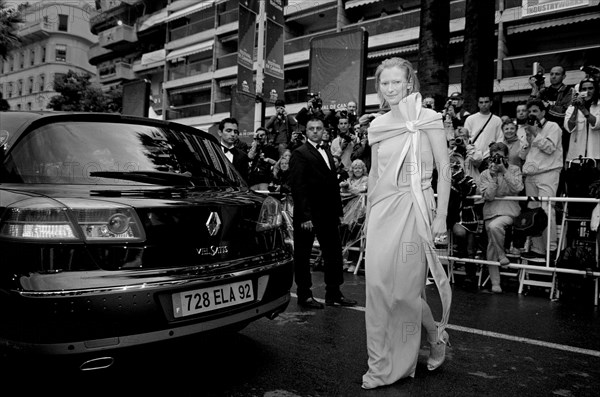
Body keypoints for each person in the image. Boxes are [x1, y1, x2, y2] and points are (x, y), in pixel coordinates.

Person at [362, 57, 451, 389]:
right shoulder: (378, 125)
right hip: (383, 211)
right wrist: (369, 212)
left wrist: (441, 215)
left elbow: (445, 168)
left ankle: (432, 334)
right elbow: (374, 174)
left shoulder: (429, 119)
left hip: (416, 206)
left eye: (396, 82)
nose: (390, 88)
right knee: (378, 289)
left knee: (405, 292)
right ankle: (381, 363)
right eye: (384, 83)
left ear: (409, 83)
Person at [288, 116, 357, 309]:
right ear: (306, 131)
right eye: (312, 128)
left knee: (333, 253)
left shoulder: (327, 150)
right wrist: (304, 216)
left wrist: (338, 211)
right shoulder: (299, 153)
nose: (316, 131)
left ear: (324, 130)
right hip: (308, 215)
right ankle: (304, 295)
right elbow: (298, 187)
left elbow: (331, 184)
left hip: (328, 213)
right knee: (303, 254)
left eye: (319, 128)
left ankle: (334, 293)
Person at [520, 99, 563, 260]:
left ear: (543, 112)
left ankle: (551, 248)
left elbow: (550, 148)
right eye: (529, 111)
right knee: (533, 212)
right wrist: (529, 138)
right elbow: (522, 155)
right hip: (530, 175)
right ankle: (537, 248)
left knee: (546, 209)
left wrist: (536, 134)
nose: (532, 114)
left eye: (535, 111)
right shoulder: (528, 130)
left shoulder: (553, 127)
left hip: (548, 173)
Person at [479, 142, 524, 293]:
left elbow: (518, 188)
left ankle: (501, 254)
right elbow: (489, 196)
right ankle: (495, 283)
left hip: (509, 211)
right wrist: (493, 178)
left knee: (494, 227)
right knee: (491, 246)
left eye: (500, 156)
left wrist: (504, 170)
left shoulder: (515, 169)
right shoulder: (485, 174)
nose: (497, 159)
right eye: (494, 156)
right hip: (490, 212)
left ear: (506, 156)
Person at [529, 65, 573, 160]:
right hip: (542, 130)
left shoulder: (569, 91)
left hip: (562, 133)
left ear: (564, 76)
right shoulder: (543, 91)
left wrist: (547, 106)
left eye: (557, 74)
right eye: (552, 74)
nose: (553, 76)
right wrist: (534, 89)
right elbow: (530, 107)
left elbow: (566, 112)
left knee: (559, 161)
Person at [564, 77, 600, 163]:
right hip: (576, 158)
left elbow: (598, 124)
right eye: (584, 89)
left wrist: (583, 109)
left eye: (590, 88)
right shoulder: (572, 108)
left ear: (596, 90)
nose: (587, 91)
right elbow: (569, 128)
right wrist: (576, 108)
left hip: (596, 156)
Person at [218, 117, 249, 183]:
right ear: (220, 132)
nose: (233, 134)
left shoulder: (243, 156)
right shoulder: (212, 150)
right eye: (229, 131)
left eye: (235, 131)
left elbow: (244, 180)